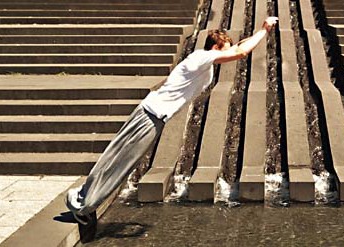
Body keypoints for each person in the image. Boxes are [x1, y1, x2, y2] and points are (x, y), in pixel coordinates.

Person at [64, 17, 280, 241]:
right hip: (150, 114)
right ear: (215, 48)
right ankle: (81, 203)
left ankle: (85, 201)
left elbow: (238, 48)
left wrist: (251, 36)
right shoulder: (200, 57)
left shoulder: (204, 65)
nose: (226, 56)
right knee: (118, 160)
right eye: (224, 49)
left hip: (154, 116)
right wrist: (264, 30)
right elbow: (240, 52)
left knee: (121, 161)